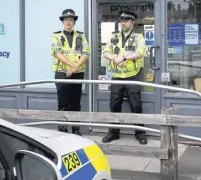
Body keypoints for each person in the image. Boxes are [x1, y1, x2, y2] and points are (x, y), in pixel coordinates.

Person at [101, 11, 147, 145]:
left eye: (126, 21)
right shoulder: (114, 36)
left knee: (136, 105)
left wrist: (124, 57)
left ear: (132, 22)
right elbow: (105, 51)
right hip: (116, 76)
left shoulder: (138, 37)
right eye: (122, 21)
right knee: (114, 105)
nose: (123, 23)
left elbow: (140, 52)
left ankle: (140, 133)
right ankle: (114, 133)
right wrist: (115, 59)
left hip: (132, 76)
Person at [51, 9, 90, 135]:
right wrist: (72, 65)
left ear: (74, 22)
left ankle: (76, 130)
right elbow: (57, 53)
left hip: (77, 73)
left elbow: (86, 53)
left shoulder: (81, 35)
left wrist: (75, 67)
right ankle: (62, 131)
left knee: (75, 103)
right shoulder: (56, 35)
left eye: (71, 20)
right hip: (61, 72)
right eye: (66, 20)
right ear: (63, 22)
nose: (68, 22)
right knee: (63, 103)